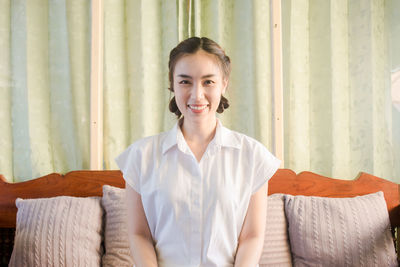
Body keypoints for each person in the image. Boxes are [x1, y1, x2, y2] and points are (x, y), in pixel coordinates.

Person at [115, 37, 281, 267]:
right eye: (185, 82)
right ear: (172, 84)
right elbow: (139, 234)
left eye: (208, 82)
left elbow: (252, 237)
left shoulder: (252, 156)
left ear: (224, 83)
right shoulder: (141, 156)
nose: (197, 95)